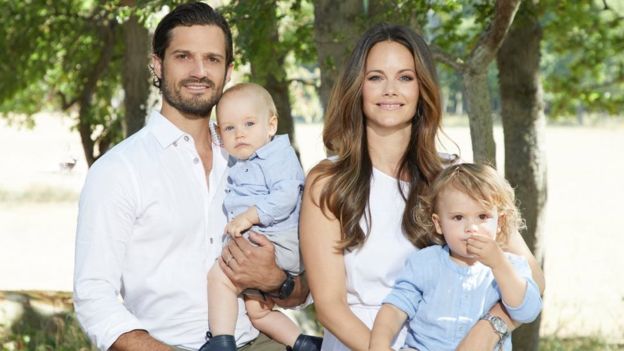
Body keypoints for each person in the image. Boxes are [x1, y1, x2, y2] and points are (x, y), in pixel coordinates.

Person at [74, 3, 307, 350]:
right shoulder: (118, 170)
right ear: (157, 63)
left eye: (212, 59)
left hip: (262, 339)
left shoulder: (254, 158)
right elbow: (93, 297)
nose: (199, 71)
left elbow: (304, 288)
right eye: (183, 56)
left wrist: (279, 281)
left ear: (228, 71)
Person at [299, 23, 545, 351]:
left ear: (422, 89)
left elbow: (533, 280)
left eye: (405, 77)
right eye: (375, 77)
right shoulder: (328, 181)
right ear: (357, 88)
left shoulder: (455, 178)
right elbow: (330, 307)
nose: (390, 90)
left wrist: (490, 327)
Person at [369, 163, 543, 351]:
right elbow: (395, 308)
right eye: (458, 217)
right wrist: (380, 343)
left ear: (499, 222)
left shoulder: (511, 266)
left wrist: (499, 265)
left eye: (482, 216)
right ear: (439, 224)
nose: (471, 227)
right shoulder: (425, 263)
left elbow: (527, 311)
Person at [200, 83, 321, 351]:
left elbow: (288, 193)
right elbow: (211, 133)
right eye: (229, 128)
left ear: (271, 125)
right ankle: (302, 343)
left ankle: (221, 342)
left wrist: (249, 217)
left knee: (218, 277)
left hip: (275, 240)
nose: (239, 134)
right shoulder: (244, 157)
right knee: (257, 311)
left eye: (249, 124)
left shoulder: (276, 154)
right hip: (269, 242)